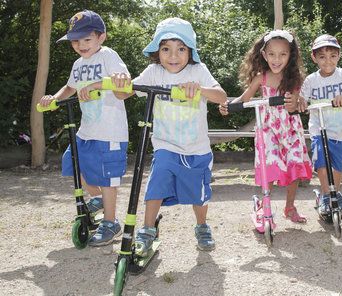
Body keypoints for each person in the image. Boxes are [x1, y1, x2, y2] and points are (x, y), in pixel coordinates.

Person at [107, 17, 227, 252]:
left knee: (198, 195)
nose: (173, 56)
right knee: (157, 182)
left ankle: (202, 225)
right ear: (157, 52)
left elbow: (221, 96)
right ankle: (147, 229)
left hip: (196, 147)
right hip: (165, 145)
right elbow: (124, 93)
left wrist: (199, 89)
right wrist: (120, 83)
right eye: (166, 49)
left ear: (190, 51)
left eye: (181, 49)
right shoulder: (154, 72)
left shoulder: (198, 70)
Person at [39, 10, 130, 246]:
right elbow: (70, 88)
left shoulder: (108, 56)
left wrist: (100, 83)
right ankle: (99, 199)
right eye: (75, 41)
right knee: (73, 163)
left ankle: (111, 223)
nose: (80, 45)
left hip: (109, 131)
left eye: (86, 39)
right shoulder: (78, 64)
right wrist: (53, 99)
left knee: (108, 178)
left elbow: (124, 85)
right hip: (86, 131)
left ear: (101, 37)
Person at [220, 30, 312, 223]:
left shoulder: (295, 79)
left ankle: (290, 207)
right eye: (272, 54)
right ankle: (265, 205)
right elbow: (244, 99)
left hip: (291, 129)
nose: (276, 59)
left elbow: (299, 99)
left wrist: (299, 102)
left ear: (290, 56)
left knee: (294, 164)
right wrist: (229, 106)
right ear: (264, 55)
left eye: (282, 54)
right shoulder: (260, 78)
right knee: (268, 164)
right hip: (268, 129)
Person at [299, 34, 342, 215]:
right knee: (322, 163)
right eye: (322, 57)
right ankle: (326, 195)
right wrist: (301, 102)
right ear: (314, 58)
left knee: (338, 165)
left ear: (339, 56)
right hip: (319, 128)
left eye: (333, 56)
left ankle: (335, 192)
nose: (328, 61)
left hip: (339, 130)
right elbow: (302, 97)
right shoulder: (311, 79)